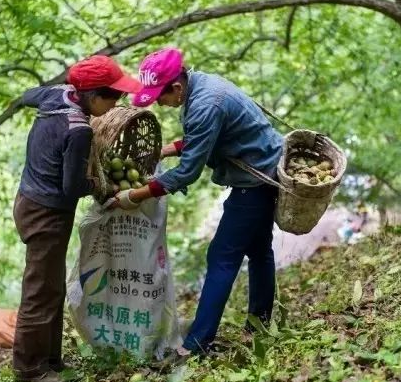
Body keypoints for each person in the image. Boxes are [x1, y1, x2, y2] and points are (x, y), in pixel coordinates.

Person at [112, 47, 283, 360]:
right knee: (259, 250)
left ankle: (196, 344)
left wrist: (134, 195)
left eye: (160, 97)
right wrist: (168, 149)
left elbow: (188, 172)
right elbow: (209, 135)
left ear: (176, 87)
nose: (160, 104)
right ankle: (259, 322)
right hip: (263, 167)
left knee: (221, 256)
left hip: (256, 179)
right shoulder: (199, 86)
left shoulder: (205, 103)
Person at [12, 56, 141, 382]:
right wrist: (102, 184)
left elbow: (27, 95)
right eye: (113, 97)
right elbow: (72, 188)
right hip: (48, 212)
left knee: (51, 287)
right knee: (40, 291)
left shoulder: (56, 96)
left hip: (28, 200)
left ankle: (50, 359)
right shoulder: (79, 129)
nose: (117, 104)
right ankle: (29, 369)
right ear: (94, 95)